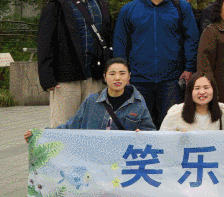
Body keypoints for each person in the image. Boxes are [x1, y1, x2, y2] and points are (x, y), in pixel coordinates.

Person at [113, 0, 199, 128]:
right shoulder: (128, 10)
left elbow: (192, 39)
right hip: (138, 80)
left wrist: (189, 68)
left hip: (172, 81)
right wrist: (122, 73)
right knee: (139, 127)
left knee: (171, 127)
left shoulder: (181, 8)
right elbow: (120, 44)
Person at [37, 0, 115, 128]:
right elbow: (45, 42)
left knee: (95, 125)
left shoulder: (101, 4)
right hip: (65, 78)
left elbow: (108, 39)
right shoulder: (56, 5)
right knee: (63, 126)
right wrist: (47, 77)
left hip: (95, 76)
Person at [24, 58, 154, 140]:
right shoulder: (92, 101)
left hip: (122, 161)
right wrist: (40, 135)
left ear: (129, 76)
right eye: (112, 74)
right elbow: (71, 126)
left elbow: (150, 131)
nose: (117, 78)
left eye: (122, 73)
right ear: (105, 77)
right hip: (93, 161)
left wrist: (144, 134)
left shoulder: (138, 102)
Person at [158, 73, 224, 197]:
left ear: (213, 90)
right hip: (184, 170)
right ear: (189, 92)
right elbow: (161, 142)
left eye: (206, 87)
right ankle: (174, 194)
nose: (202, 92)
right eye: (197, 88)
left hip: (213, 170)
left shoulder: (223, 111)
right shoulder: (176, 112)